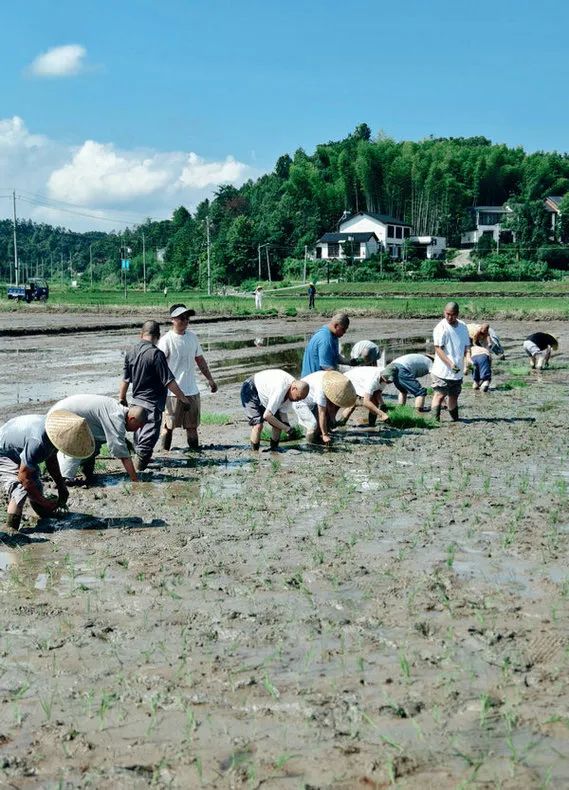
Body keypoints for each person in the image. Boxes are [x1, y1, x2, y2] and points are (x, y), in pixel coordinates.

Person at [0, 410, 94, 532]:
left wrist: (62, 486)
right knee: (20, 489)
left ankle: (45, 516)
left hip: (19, 444)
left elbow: (51, 461)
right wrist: (44, 502)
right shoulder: (39, 442)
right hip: (4, 451)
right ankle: (11, 529)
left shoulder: (55, 433)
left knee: (36, 488)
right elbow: (23, 478)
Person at [119, 320, 193, 471]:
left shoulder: (131, 352)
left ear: (141, 334)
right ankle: (138, 473)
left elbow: (125, 379)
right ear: (158, 336)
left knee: (139, 438)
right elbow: (169, 381)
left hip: (135, 404)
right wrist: (183, 399)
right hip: (151, 405)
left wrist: (122, 398)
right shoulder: (156, 354)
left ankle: (137, 463)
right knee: (147, 443)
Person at [158, 304, 218, 451]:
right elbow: (158, 367)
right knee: (168, 427)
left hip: (191, 390)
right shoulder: (166, 340)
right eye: (181, 318)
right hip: (172, 393)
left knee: (192, 427)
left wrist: (210, 379)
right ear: (173, 319)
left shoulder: (192, 337)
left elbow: (200, 360)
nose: (185, 320)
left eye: (187, 318)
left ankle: (195, 454)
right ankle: (165, 454)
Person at [48, 395, 147, 483]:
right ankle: (63, 478)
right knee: (78, 442)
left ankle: (87, 474)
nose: (136, 430)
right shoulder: (116, 417)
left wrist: (124, 441)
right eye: (138, 427)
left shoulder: (117, 410)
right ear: (132, 419)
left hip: (65, 414)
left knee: (93, 443)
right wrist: (135, 480)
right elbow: (121, 452)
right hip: (59, 419)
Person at [240, 370, 309, 451]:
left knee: (278, 425)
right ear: (294, 389)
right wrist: (287, 429)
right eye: (298, 397)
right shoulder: (280, 389)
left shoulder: (293, 391)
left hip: (266, 394)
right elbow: (267, 415)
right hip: (251, 389)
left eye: (301, 399)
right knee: (258, 425)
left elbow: (282, 412)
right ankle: (255, 454)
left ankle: (274, 450)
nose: (298, 401)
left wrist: (287, 426)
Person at [431, 302, 471, 422]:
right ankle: (434, 421)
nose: (449, 317)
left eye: (452, 315)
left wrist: (468, 357)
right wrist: (450, 363)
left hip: (457, 371)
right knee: (440, 394)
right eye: (447, 314)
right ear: (444, 312)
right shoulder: (440, 328)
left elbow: (467, 346)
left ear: (457, 314)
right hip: (442, 370)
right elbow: (438, 348)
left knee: (454, 395)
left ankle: (456, 420)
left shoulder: (463, 327)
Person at [293, 370, 356, 444]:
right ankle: (310, 446)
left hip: (312, 400)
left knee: (320, 426)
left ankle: (318, 436)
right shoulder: (321, 391)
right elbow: (321, 414)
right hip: (300, 401)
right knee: (313, 426)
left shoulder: (334, 381)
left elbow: (331, 404)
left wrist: (333, 419)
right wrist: (325, 434)